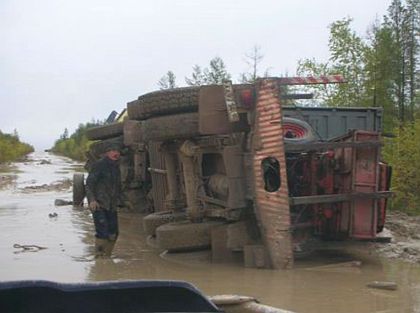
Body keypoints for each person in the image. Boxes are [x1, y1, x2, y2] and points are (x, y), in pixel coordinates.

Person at [85, 143, 123, 257]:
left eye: (117, 151)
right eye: (112, 150)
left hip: (111, 205)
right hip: (98, 204)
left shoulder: (116, 166)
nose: (116, 153)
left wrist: (122, 201)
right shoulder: (99, 165)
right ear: (107, 153)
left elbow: (118, 186)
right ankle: (100, 259)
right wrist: (92, 200)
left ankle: (107, 256)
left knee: (114, 233)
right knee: (102, 232)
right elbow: (89, 184)